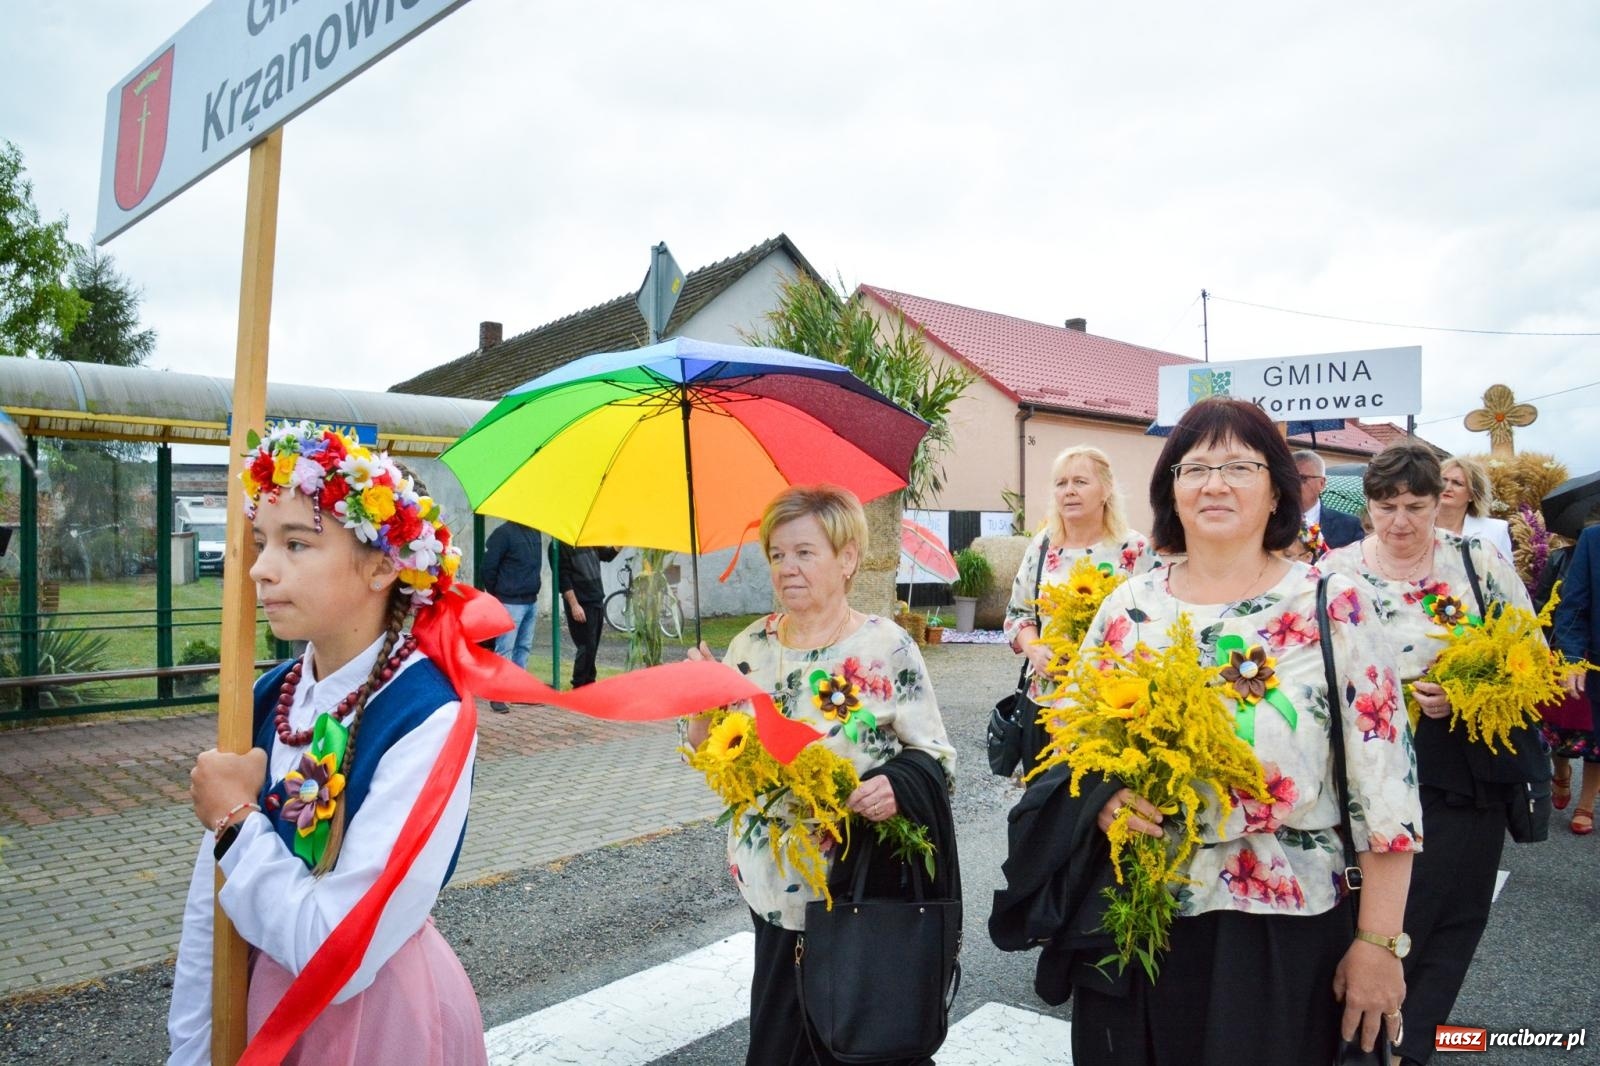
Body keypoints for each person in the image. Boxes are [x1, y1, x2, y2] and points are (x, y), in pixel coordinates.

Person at [1049, 399, 1418, 1065]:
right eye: (1196, 468)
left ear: (1277, 487)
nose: (1214, 483)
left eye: (1239, 466)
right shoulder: (1128, 607)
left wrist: (1380, 942)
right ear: (1171, 490)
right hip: (1137, 915)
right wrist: (1100, 800)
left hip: (1281, 928)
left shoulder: (1330, 603)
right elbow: (1072, 740)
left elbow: (1386, 786)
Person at [168, 422, 485, 1065]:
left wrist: (235, 821)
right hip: (253, 997)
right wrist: (193, 1046)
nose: (259, 567)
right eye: (261, 541)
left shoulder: (427, 717)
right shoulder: (268, 694)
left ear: (382, 566)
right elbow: (212, 899)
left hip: (374, 1023)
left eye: (297, 543)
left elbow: (337, 950)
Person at [686, 485, 956, 1066]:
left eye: (805, 552)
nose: (788, 568)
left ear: (848, 558)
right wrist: (699, 702)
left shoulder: (886, 647)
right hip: (771, 889)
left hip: (859, 887)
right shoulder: (748, 647)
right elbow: (708, 756)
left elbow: (937, 756)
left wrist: (897, 787)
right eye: (778, 555)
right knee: (781, 1038)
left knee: (861, 1036)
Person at [1321, 439, 1541, 1066]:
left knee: (1447, 922)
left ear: (1439, 501)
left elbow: (1530, 659)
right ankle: (1348, 1039)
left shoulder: (1477, 562)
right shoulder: (1336, 570)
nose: (1399, 522)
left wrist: (1468, 693)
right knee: (1366, 918)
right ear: (1367, 506)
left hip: (1461, 773)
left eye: (1415, 506)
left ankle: (1407, 1046)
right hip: (1360, 774)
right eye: (1385, 505)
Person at [1004, 446, 1161, 773]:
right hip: (1046, 699)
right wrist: (1035, 650)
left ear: (1106, 489)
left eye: (1080, 481)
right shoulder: (1044, 545)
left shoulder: (1135, 549)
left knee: (1097, 808)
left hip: (1112, 704)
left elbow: (1158, 620)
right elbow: (1019, 614)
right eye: (1061, 483)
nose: (1069, 491)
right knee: (1043, 804)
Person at [1551, 524, 1600, 834]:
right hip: (1589, 659)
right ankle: (1560, 772)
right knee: (1564, 728)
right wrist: (1571, 658)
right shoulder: (1593, 539)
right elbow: (1573, 604)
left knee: (1598, 738)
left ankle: (1587, 803)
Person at [480, 519, 542, 712]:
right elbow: (488, 567)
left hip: (530, 599)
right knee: (504, 649)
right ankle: (497, 694)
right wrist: (498, 593)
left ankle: (518, 691)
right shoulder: (503, 534)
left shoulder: (535, 532)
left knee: (523, 647)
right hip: (510, 601)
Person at [549, 540, 617, 687]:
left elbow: (607, 555)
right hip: (581, 603)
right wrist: (574, 605)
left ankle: (589, 683)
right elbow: (563, 578)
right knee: (586, 646)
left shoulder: (589, 540)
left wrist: (623, 540)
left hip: (596, 599)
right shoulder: (560, 545)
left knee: (592, 646)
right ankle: (579, 684)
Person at [1436, 456, 1515, 562]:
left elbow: (1506, 576)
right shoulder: (1418, 526)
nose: (1447, 487)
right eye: (1443, 480)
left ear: (1472, 495)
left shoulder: (1495, 530)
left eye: (1457, 483)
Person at [1292, 449, 1364, 554]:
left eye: (1301, 478)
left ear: (1321, 483)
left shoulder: (1349, 526)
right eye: (1289, 478)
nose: (1293, 484)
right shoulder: (1270, 521)